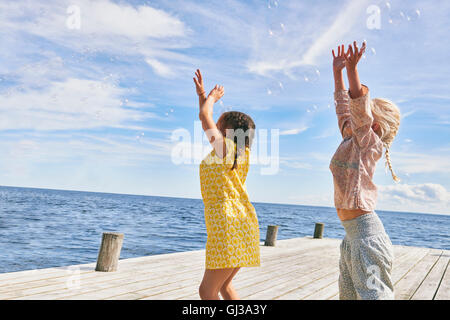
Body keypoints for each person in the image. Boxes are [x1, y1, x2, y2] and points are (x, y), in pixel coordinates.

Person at [330, 42, 401, 299]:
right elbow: (344, 108)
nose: (355, 113)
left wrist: (352, 71)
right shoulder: (351, 138)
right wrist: (337, 73)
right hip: (351, 240)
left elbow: (358, 106)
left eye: (366, 114)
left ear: (376, 124)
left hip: (366, 240)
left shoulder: (370, 143)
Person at [193, 69, 260, 300]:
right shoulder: (239, 152)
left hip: (227, 225)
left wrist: (210, 98)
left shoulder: (226, 149)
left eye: (219, 122)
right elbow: (205, 115)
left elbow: (204, 117)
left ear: (226, 132)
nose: (214, 120)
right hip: (241, 223)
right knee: (224, 287)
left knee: (207, 291)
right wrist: (202, 95)